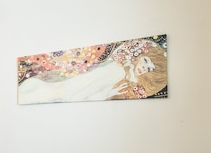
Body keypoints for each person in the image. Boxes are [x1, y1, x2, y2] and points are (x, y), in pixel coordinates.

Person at [17, 37, 167, 104]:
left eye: (149, 69)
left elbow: (89, 91)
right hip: (66, 88)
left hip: (68, 91)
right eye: (146, 61)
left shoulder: (123, 77)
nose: (144, 68)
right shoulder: (117, 66)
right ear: (140, 54)